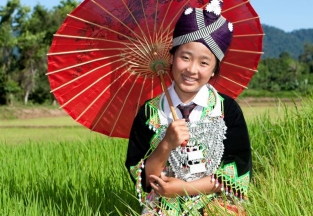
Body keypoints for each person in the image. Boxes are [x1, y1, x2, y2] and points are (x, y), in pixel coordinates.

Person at [125, 1, 252, 215]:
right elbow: (145, 178)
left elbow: (236, 172)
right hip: (164, 201)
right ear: (172, 58)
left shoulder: (225, 110)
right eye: (185, 57)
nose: (192, 69)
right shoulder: (150, 113)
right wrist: (166, 143)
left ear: (214, 71)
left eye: (204, 63)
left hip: (215, 198)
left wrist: (183, 187)